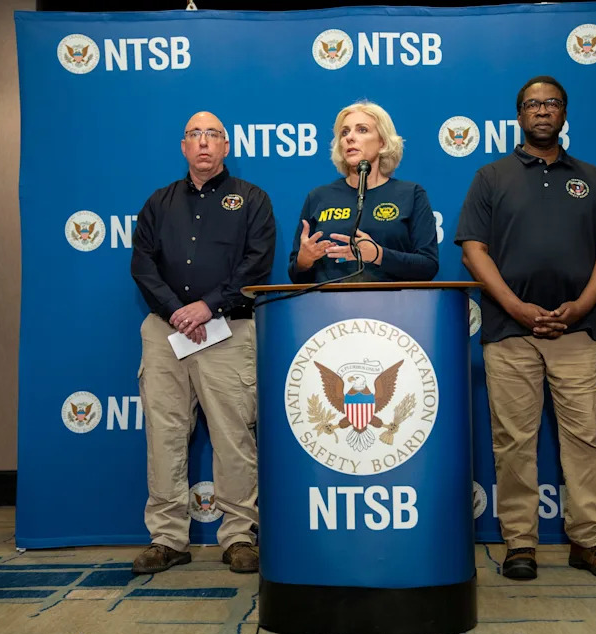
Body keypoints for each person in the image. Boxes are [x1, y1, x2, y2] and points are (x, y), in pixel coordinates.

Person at [455, 76, 596, 581]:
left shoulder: (592, 178)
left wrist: (578, 307)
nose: (542, 111)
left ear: (563, 114)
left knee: (584, 438)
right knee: (514, 441)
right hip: (510, 331)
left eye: (551, 103)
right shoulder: (491, 176)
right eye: (532, 104)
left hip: (576, 332)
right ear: (519, 115)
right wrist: (515, 305)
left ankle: (589, 542)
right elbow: (473, 250)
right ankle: (520, 544)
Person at [129, 111, 276, 575]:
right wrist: (177, 309)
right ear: (183, 146)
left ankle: (238, 535)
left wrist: (207, 306)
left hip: (227, 331)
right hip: (165, 333)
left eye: (213, 134)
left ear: (227, 145)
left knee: (233, 437)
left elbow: (257, 265)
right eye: (195, 135)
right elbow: (143, 264)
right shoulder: (159, 202)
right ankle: (167, 538)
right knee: (165, 434)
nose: (204, 143)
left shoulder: (252, 199)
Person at [288, 101, 438, 283]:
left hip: (395, 306)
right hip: (329, 307)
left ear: (382, 142)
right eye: (344, 132)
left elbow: (429, 266)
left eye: (362, 130)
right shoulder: (319, 197)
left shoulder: (411, 194)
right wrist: (304, 261)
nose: (349, 138)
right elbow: (296, 275)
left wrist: (378, 255)